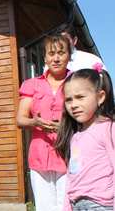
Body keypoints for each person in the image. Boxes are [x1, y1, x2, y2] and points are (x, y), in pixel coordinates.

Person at [17, 35, 71, 211]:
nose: (56, 58)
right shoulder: (32, 84)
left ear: (69, 56)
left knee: (67, 205)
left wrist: (66, 126)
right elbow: (20, 119)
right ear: (45, 57)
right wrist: (35, 122)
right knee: (44, 207)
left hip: (69, 153)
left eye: (61, 53)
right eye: (51, 53)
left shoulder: (77, 82)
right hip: (40, 154)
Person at [55, 68, 115, 210]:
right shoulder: (75, 137)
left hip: (100, 204)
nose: (73, 105)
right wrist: (67, 207)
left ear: (100, 97)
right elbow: (72, 174)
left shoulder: (108, 128)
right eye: (69, 100)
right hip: (77, 204)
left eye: (80, 97)